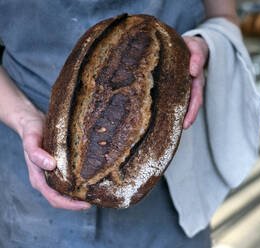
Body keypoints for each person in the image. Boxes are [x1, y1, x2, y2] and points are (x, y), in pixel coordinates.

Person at [0, 0, 246, 247]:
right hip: (28, 170)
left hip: (170, 191)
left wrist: (203, 46)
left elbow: (223, 15)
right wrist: (23, 118)